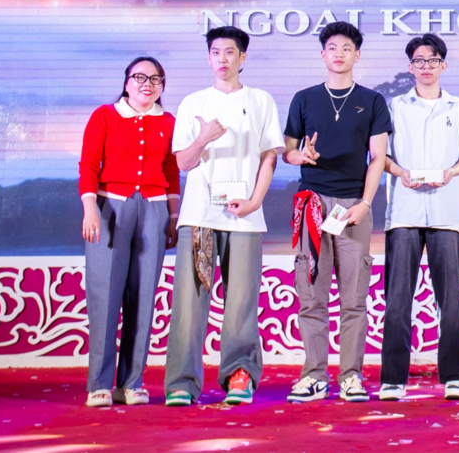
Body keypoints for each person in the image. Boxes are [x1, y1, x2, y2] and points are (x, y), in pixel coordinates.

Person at [164, 26, 283, 408]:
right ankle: (182, 382)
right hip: (200, 215)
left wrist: (254, 201)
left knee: (241, 301)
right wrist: (203, 138)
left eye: (229, 52)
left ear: (242, 57)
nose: (222, 59)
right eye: (215, 52)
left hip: (245, 217)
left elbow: (269, 156)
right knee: (189, 301)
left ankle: (239, 374)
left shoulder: (261, 100)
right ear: (209, 57)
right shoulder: (193, 103)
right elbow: (183, 163)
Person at [284, 21, 392, 403]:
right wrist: (301, 155)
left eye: (347, 48)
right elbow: (288, 151)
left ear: (357, 55)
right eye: (332, 47)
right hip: (312, 204)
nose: (339, 54)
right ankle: (314, 376)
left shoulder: (372, 101)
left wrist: (365, 203)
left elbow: (378, 158)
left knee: (354, 298)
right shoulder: (304, 99)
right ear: (322, 54)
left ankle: (351, 377)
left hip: (352, 207)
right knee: (311, 296)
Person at [379, 33, 459, 401]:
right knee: (397, 298)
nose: (426, 66)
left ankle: (455, 376)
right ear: (410, 67)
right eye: (419, 60)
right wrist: (399, 172)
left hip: (448, 212)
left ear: (443, 65)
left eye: (432, 60)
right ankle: (393, 379)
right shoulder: (394, 107)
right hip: (404, 212)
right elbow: (380, 155)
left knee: (450, 299)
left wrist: (451, 172)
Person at [79, 56, 180, 408]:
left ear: (162, 86)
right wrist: (90, 208)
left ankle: (131, 382)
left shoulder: (168, 121)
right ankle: (99, 384)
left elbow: (171, 169)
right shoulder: (105, 116)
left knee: (143, 295)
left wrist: (173, 216)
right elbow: (89, 164)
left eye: (155, 79)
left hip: (153, 209)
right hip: (111, 207)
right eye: (139, 77)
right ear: (126, 82)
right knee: (105, 295)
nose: (147, 84)